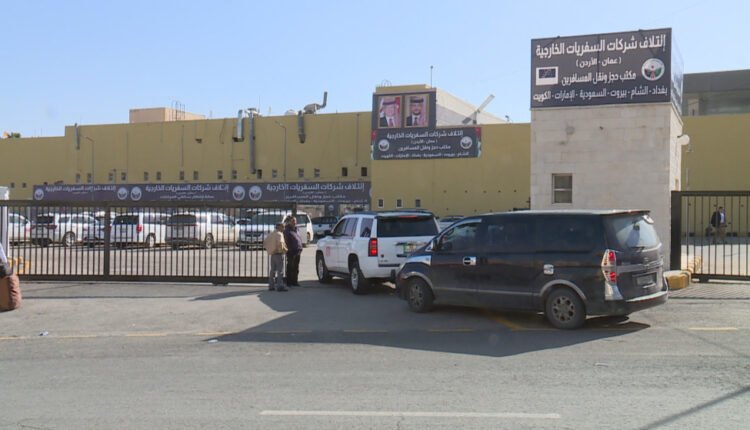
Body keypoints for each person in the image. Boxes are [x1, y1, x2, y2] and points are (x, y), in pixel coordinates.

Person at [263, 223, 288, 291]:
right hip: (279, 254)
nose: (284, 228)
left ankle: (271, 285)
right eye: (283, 227)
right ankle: (280, 286)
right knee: (280, 270)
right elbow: (281, 244)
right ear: (279, 227)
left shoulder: (271, 234)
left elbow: (265, 242)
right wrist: (285, 250)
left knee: (272, 270)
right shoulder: (279, 234)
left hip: (273, 254)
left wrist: (270, 249)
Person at [284, 215, 303, 286]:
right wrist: (289, 249)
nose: (294, 222)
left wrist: (300, 247)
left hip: (298, 250)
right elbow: (286, 240)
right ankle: (289, 282)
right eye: (293, 221)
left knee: (296, 267)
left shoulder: (297, 229)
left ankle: (295, 281)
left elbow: (299, 238)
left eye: (295, 221)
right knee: (290, 267)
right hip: (291, 251)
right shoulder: (287, 230)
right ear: (289, 222)